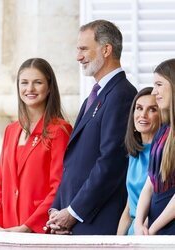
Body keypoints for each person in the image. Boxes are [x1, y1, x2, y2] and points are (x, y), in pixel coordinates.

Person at [46, 19, 137, 235]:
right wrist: (57, 210)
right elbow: (74, 162)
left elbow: (110, 162)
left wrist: (73, 212)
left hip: (97, 221)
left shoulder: (122, 94)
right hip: (74, 222)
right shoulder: (93, 96)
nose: (78, 56)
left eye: (84, 49)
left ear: (106, 50)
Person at [0, 58, 72, 233]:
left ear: (49, 87)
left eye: (38, 83)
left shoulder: (59, 130)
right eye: (24, 83)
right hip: (6, 229)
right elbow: (0, 184)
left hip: (38, 229)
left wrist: (28, 227)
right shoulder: (11, 131)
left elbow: (59, 185)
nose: (30, 89)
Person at [135, 59, 175, 235]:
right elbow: (149, 183)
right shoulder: (163, 131)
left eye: (159, 84)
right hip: (153, 229)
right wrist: (138, 223)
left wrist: (153, 229)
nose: (154, 91)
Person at [117, 87, 160, 235]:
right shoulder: (134, 154)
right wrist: (117, 242)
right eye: (139, 108)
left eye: (152, 109)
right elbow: (130, 208)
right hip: (133, 234)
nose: (143, 115)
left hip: (151, 233)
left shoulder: (164, 154)